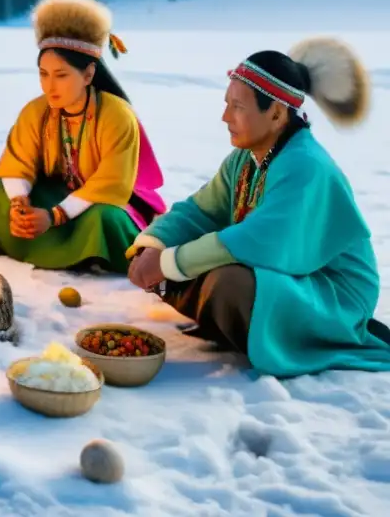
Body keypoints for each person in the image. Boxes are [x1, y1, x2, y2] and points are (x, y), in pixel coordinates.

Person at [126, 39, 390, 378]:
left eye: (237, 107)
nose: (225, 117)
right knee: (189, 267)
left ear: (277, 113)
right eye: (226, 104)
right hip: (282, 274)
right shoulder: (245, 157)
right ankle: (228, 318)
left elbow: (256, 240)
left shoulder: (305, 166)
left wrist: (168, 263)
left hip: (330, 292)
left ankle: (249, 326)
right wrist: (153, 244)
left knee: (227, 282)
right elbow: (202, 210)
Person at [0, 0, 166, 272]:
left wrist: (54, 216)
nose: (49, 86)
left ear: (88, 75)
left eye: (61, 75)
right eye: (43, 74)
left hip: (104, 202)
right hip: (57, 196)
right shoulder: (36, 111)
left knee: (104, 218)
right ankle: (26, 236)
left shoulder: (117, 115)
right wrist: (20, 204)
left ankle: (88, 254)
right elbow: (18, 162)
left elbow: (111, 185)